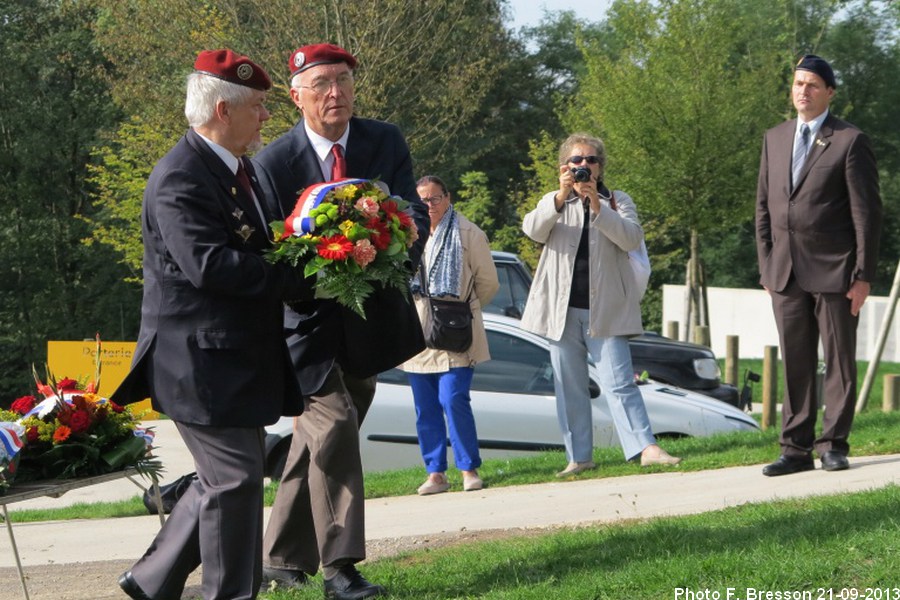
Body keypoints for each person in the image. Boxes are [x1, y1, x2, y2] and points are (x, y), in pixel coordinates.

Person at [110, 49, 311, 600]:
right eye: (258, 106)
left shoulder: (238, 168)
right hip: (198, 361)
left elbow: (258, 244)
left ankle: (152, 580)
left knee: (224, 477)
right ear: (224, 110)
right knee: (235, 481)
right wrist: (293, 277)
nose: (266, 116)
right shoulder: (181, 177)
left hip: (232, 359)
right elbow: (209, 266)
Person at [252, 43, 429, 599]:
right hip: (303, 325)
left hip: (369, 319)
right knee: (332, 426)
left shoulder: (384, 140)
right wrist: (322, 263)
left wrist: (395, 241)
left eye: (345, 80)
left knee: (320, 441)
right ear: (296, 96)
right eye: (323, 83)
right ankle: (341, 568)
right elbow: (270, 250)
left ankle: (282, 558)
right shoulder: (272, 163)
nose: (337, 93)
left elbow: (414, 212)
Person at [520, 133, 681, 477]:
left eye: (590, 160)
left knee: (619, 381)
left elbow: (631, 238)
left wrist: (596, 205)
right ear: (564, 167)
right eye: (576, 160)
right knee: (570, 387)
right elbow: (532, 230)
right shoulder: (553, 200)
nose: (584, 166)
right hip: (560, 312)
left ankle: (645, 447)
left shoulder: (617, 201)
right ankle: (579, 457)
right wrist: (561, 197)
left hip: (606, 309)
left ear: (600, 167)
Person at [756, 55, 882, 477]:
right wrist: (766, 265)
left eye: (811, 84)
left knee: (839, 363)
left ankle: (833, 445)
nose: (803, 91)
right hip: (784, 273)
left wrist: (863, 275)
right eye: (798, 83)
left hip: (836, 271)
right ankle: (794, 449)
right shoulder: (774, 138)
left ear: (829, 92)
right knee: (795, 362)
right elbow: (763, 208)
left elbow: (867, 214)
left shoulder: (850, 140)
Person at [400, 176, 499, 495]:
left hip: (456, 329)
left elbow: (488, 283)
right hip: (418, 331)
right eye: (423, 200)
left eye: (435, 198)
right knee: (425, 406)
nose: (429, 205)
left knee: (453, 398)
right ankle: (435, 473)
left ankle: (468, 468)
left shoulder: (469, 232)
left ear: (448, 197)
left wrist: (462, 309)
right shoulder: (404, 232)